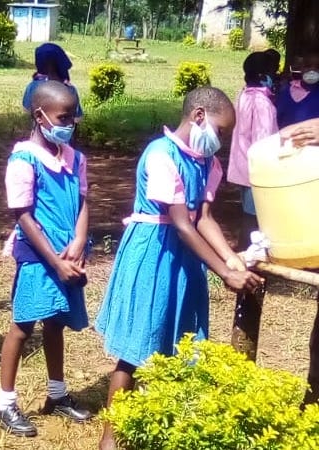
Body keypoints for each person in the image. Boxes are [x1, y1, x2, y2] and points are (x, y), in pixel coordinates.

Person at [95, 87, 263, 450]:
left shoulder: (207, 163)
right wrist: (224, 272)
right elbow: (181, 223)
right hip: (153, 253)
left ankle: (166, 427)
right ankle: (110, 437)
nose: (221, 141)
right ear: (198, 115)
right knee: (137, 348)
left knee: (182, 344)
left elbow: (203, 218)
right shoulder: (161, 155)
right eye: (220, 131)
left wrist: (231, 257)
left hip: (186, 260)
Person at [0, 80, 92, 437]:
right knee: (23, 327)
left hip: (70, 258)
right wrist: (55, 261)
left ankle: (57, 393)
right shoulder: (23, 161)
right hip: (40, 259)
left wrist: (80, 240)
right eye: (64, 117)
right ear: (40, 116)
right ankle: (5, 403)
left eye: (73, 117)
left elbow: (82, 201)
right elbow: (23, 217)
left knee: (55, 323)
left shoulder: (75, 158)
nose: (70, 124)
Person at [227, 51, 278, 250]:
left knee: (250, 213)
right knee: (254, 216)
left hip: (241, 166)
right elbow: (263, 140)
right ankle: (246, 256)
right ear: (264, 75)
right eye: (273, 71)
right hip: (257, 169)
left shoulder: (243, 95)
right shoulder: (262, 103)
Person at [22, 43, 83, 122]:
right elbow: (77, 118)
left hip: (38, 132)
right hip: (64, 134)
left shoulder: (32, 86)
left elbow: (27, 111)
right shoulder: (69, 90)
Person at [276, 51, 319, 128]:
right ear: (301, 68)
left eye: (318, 67)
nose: (312, 71)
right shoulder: (285, 91)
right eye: (308, 66)